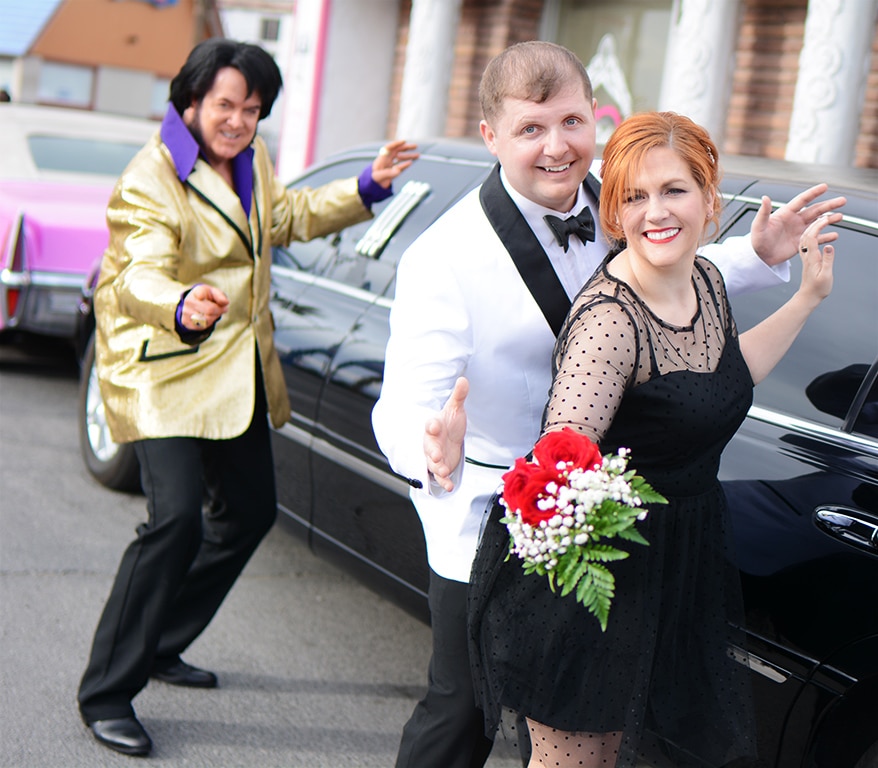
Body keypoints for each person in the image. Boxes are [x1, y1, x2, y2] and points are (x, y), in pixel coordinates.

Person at [370, 41, 845, 768]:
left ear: (594, 117)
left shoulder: (618, 192)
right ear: (492, 136)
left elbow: (669, 268)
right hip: (495, 505)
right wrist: (430, 449)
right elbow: (404, 404)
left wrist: (763, 255)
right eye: (531, 129)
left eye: (569, 121)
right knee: (464, 709)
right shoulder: (444, 256)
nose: (556, 146)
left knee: (591, 725)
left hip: (620, 513)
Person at [77, 38, 417, 757]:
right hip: (165, 366)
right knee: (175, 525)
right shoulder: (152, 176)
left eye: (253, 109)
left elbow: (286, 217)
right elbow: (136, 272)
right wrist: (178, 302)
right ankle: (108, 690)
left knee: (252, 512)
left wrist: (367, 187)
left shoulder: (251, 160)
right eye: (226, 105)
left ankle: (159, 642)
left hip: (234, 371)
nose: (238, 120)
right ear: (192, 100)